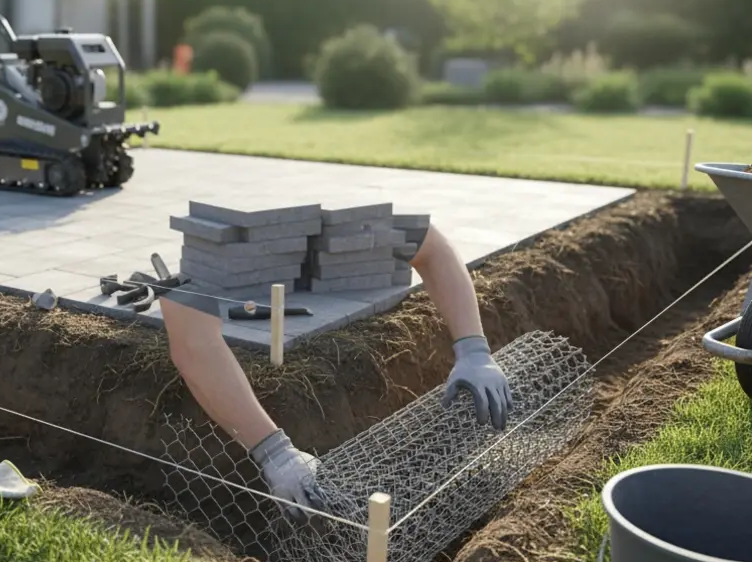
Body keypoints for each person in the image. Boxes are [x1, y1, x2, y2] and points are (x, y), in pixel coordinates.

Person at [157, 222, 513, 520]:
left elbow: (431, 246)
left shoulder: (350, 229)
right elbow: (192, 344)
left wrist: (473, 349)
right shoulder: (216, 261)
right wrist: (273, 452)